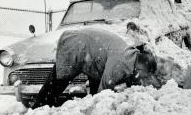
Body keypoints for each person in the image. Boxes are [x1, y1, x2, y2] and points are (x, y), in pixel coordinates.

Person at [31, 29, 159, 109]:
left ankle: (88, 110)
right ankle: (38, 109)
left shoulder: (133, 56)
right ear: (141, 69)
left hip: (92, 50)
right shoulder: (119, 63)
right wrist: (101, 106)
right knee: (57, 82)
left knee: (94, 83)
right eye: (145, 75)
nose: (143, 78)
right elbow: (104, 90)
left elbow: (133, 78)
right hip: (76, 45)